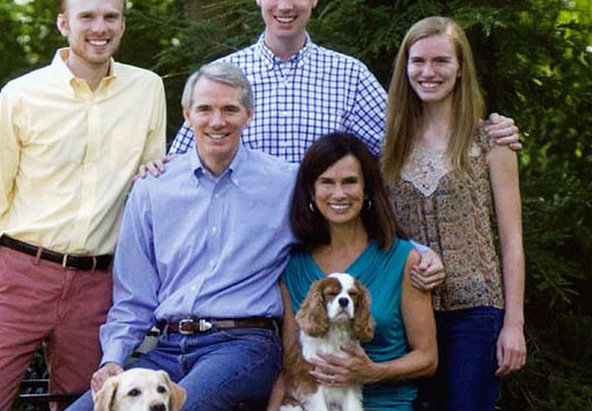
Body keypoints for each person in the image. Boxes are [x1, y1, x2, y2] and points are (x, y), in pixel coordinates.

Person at [0, 0, 166, 409]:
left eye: (110, 17)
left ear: (122, 24)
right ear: (64, 24)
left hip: (97, 284)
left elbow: (148, 188)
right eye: (87, 17)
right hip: (18, 278)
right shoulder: (21, 94)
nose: (99, 28)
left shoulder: (147, 88)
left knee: (82, 406)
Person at [67, 62, 299, 411]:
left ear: (249, 115)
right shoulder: (153, 188)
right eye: (205, 109)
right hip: (167, 348)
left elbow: (352, 226)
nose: (217, 121)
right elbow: (133, 296)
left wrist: (411, 254)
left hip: (244, 344)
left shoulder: (287, 183)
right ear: (187, 115)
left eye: (230, 109)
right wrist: (112, 359)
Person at [167, 0, 521, 164]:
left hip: (327, 248)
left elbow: (405, 140)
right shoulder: (221, 75)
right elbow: (183, 164)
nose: (285, 6)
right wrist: (154, 167)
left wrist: (481, 129)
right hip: (246, 249)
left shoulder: (349, 75)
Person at [381, 16, 526, 411]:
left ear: (460, 68)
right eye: (418, 61)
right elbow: (380, 231)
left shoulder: (492, 142)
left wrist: (514, 324)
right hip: (406, 313)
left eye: (441, 61)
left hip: (476, 312)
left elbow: (512, 241)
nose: (428, 72)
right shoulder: (388, 148)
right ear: (405, 67)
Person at [268, 133, 437, 410]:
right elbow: (290, 360)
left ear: (367, 189)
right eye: (326, 182)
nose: (339, 194)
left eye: (350, 182)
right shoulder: (293, 265)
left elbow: (427, 357)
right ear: (311, 191)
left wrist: (372, 372)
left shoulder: (403, 259)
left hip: (383, 403)